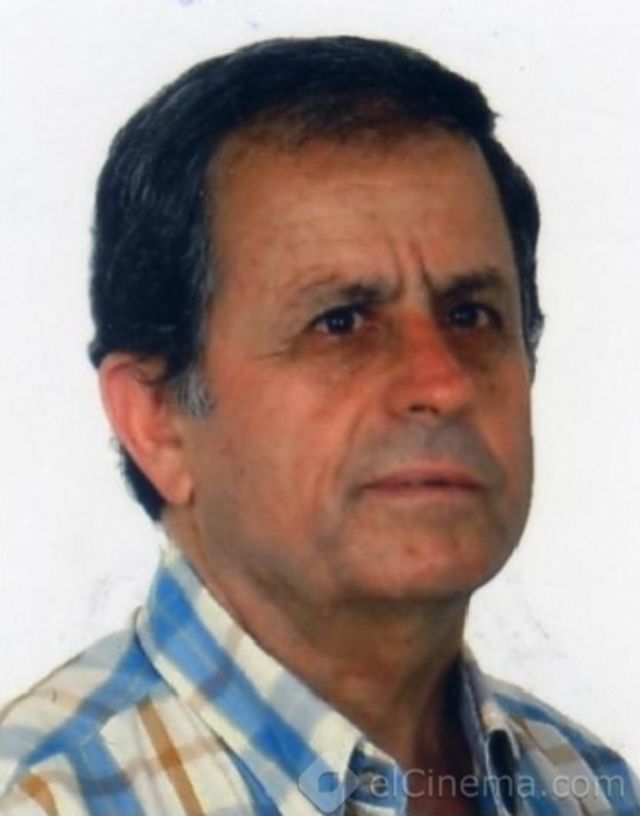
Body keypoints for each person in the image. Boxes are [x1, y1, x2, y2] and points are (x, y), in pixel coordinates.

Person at [0, 35, 637, 816]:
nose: (443, 382)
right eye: (341, 323)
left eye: (471, 315)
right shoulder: (50, 799)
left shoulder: (588, 788)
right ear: (156, 418)